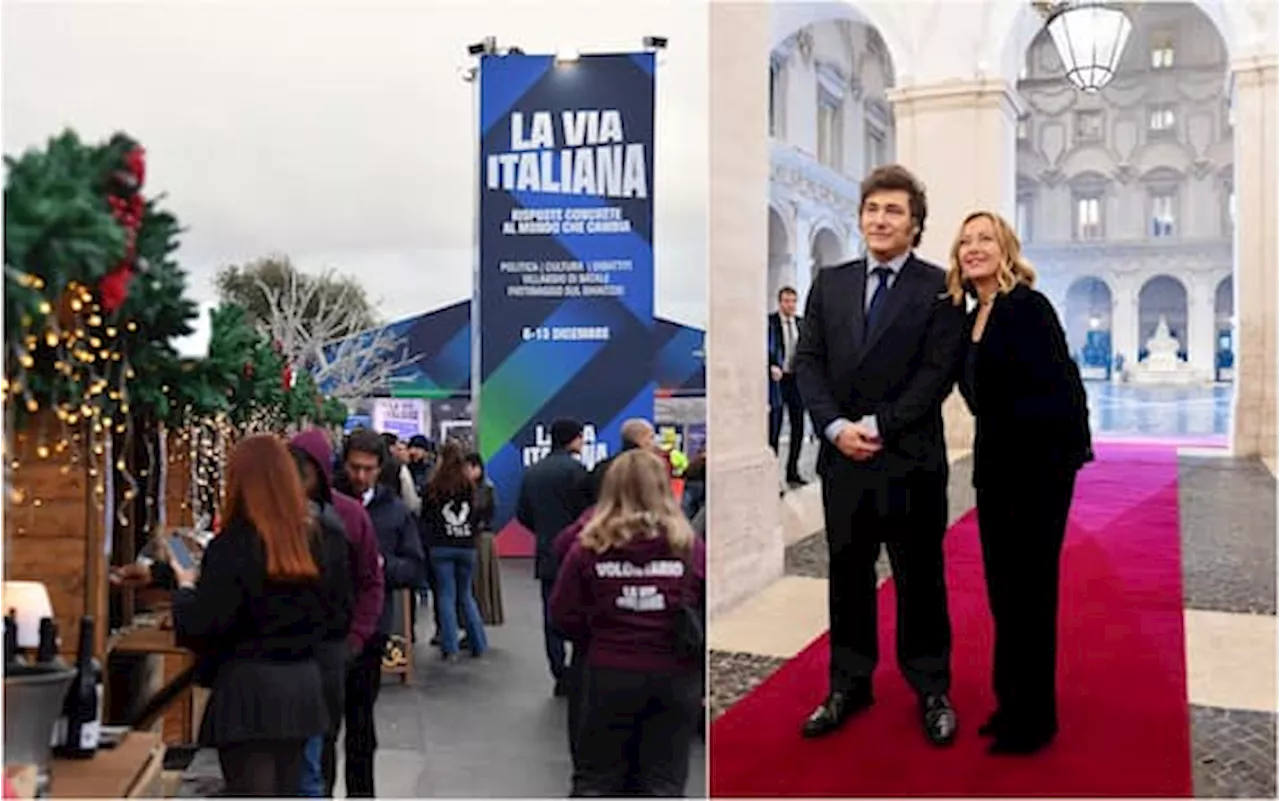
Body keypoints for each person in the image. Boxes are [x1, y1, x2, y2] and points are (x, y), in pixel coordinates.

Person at [793, 163, 966, 746]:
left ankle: (931, 687)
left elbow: (936, 375)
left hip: (909, 459)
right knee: (847, 576)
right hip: (844, 460)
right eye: (872, 209)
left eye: (894, 211)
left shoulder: (941, 288)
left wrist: (878, 425)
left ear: (915, 225)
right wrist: (835, 426)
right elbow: (809, 364)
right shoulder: (830, 282)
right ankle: (849, 683)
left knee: (921, 578)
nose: (880, 219)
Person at [949, 210, 1093, 755]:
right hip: (996, 470)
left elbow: (1064, 387)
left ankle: (1034, 720)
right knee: (1004, 596)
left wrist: (1060, 462)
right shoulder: (971, 317)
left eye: (985, 239)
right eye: (966, 241)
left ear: (1006, 249)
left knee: (1031, 597)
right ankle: (1010, 703)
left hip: (1038, 472)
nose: (974, 248)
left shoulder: (1027, 308)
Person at [172, 435, 334, 796]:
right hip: (302, 688)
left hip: (248, 693)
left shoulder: (232, 546)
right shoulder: (313, 542)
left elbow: (205, 624)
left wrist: (184, 589)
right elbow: (334, 612)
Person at [550, 450, 706, 797]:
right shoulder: (690, 548)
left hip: (608, 672)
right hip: (675, 677)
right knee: (663, 782)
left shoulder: (588, 547)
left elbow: (562, 615)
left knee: (597, 778)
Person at [334, 429, 424, 796]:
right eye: (355, 468)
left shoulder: (395, 512)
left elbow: (416, 569)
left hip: (371, 633)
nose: (361, 476)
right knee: (321, 729)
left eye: (368, 469)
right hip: (327, 630)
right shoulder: (329, 504)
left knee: (360, 723)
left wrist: (382, 567)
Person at [515, 418, 593, 696]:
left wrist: (544, 532)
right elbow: (588, 512)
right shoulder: (577, 471)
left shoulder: (534, 472)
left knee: (551, 613)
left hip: (547, 551)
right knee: (582, 610)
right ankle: (576, 670)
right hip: (577, 551)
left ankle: (559, 672)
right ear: (574, 438)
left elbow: (522, 512)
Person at [421, 442, 490, 659]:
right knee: (466, 595)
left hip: (441, 547)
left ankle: (449, 647)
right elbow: (477, 514)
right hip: (466, 546)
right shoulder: (469, 486)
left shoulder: (432, 486)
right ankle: (478, 643)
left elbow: (426, 518)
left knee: (445, 596)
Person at [769, 286, 808, 488]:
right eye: (786, 301)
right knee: (774, 427)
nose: (790, 305)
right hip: (777, 380)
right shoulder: (770, 323)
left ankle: (792, 470)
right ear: (779, 302)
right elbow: (764, 348)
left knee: (798, 427)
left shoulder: (802, 324)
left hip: (797, 381)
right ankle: (772, 475)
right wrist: (770, 366)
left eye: (793, 301)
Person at [464, 452, 504, 626]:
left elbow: (485, 513)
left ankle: (482, 616)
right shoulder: (469, 488)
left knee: (481, 580)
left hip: (482, 537)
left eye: (470, 468)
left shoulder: (486, 488)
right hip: (473, 537)